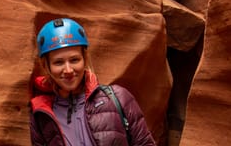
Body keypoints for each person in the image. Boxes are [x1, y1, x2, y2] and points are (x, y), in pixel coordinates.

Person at [29, 18, 156, 146]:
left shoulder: (118, 98)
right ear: (46, 66)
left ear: (84, 59)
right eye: (58, 62)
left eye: (74, 60)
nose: (68, 70)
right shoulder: (41, 116)